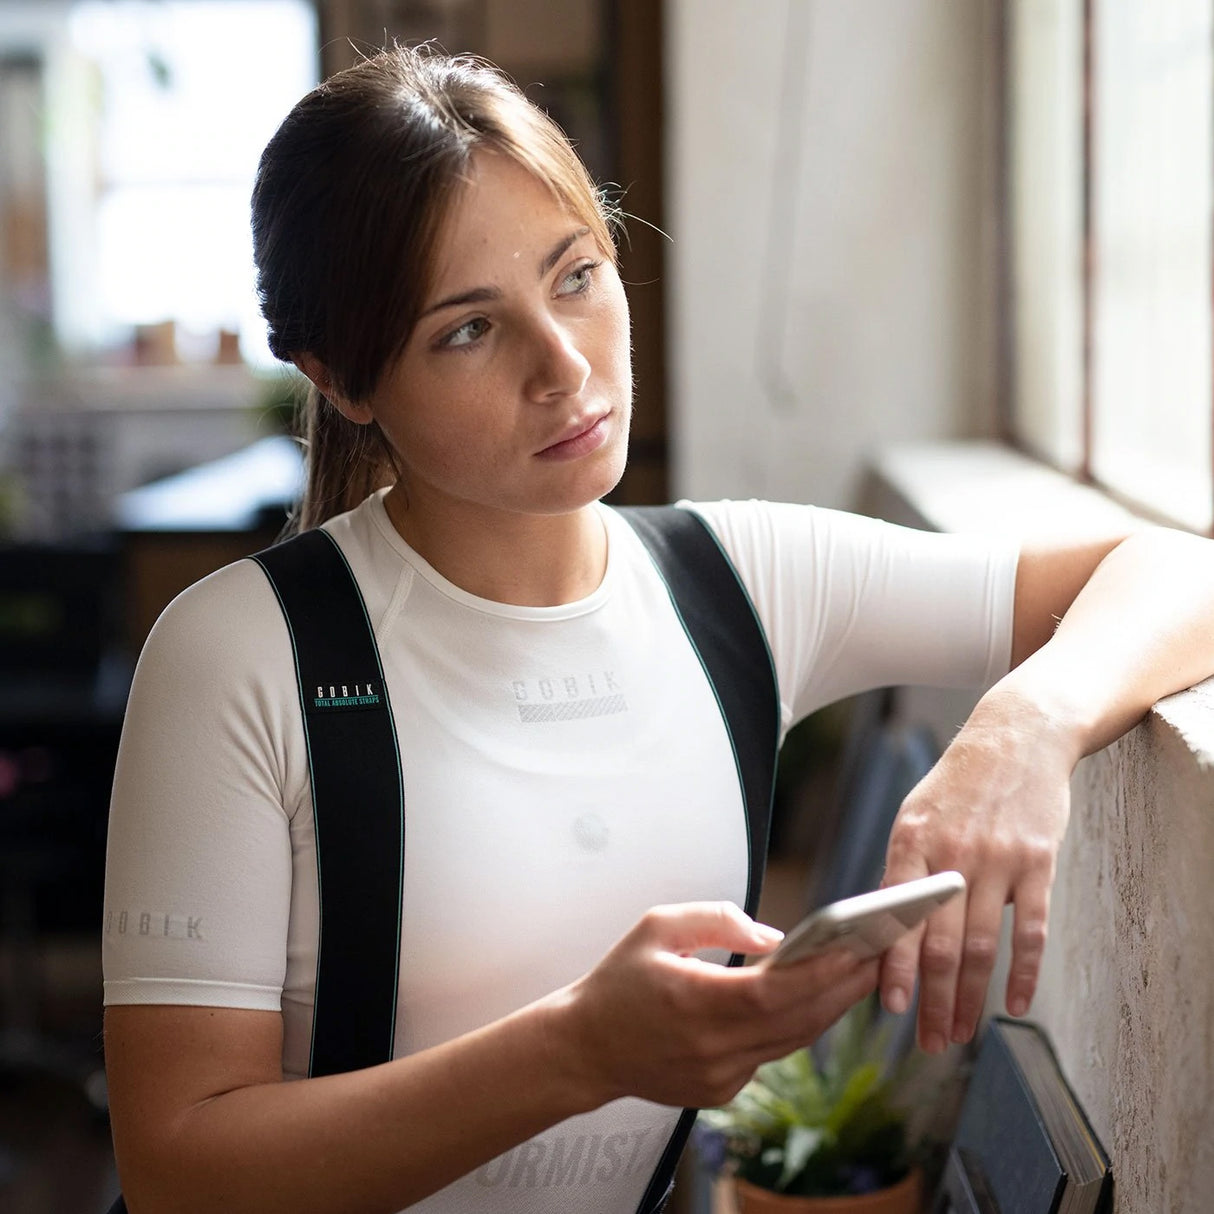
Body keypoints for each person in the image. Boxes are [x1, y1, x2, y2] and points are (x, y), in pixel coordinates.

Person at [101, 44, 1214, 1214]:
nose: (565, 364)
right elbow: (180, 1168)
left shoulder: (739, 581)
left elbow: (1181, 570)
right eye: (469, 330)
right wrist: (579, 1050)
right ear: (339, 376)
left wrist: (1022, 727)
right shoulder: (239, 654)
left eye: (576, 273)